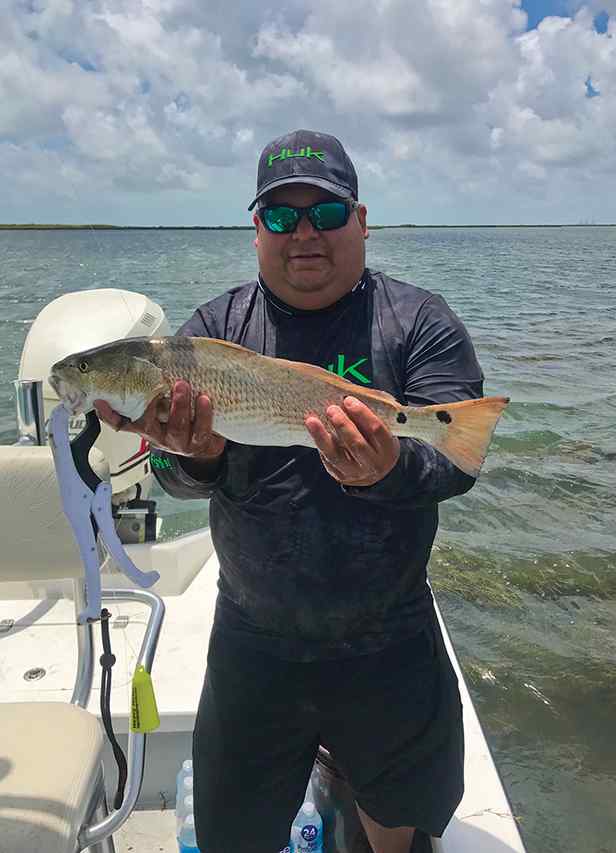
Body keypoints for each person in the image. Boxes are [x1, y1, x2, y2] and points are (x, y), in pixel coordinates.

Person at [95, 129, 485, 853]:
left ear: (361, 222)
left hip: (388, 633)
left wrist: (389, 468)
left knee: (397, 823)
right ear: (256, 232)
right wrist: (198, 457)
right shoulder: (211, 334)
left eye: (326, 214)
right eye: (281, 216)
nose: (303, 233)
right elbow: (174, 478)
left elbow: (457, 460)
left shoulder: (419, 323)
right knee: (232, 832)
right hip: (254, 638)